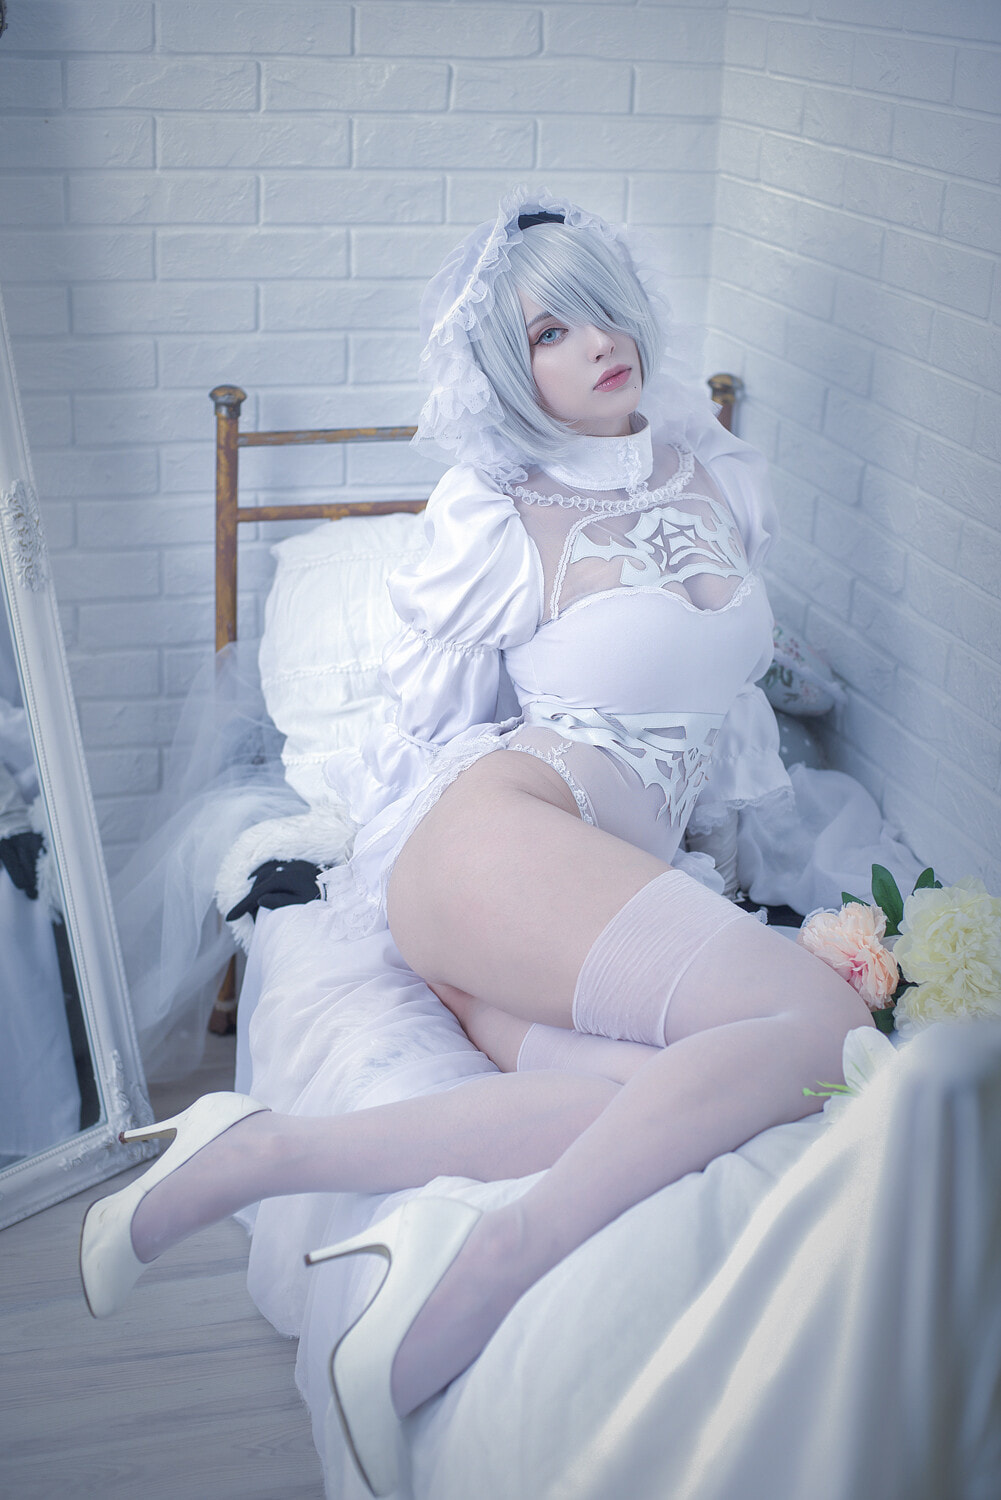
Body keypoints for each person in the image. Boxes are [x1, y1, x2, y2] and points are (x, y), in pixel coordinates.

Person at [80, 193, 874, 1498]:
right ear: (507, 367)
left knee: (641, 1097)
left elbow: (725, 713)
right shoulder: (497, 511)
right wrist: (401, 897)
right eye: (548, 332)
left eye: (600, 308)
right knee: (818, 1024)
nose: (595, 342)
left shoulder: (711, 465)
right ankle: (482, 1268)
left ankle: (259, 1151)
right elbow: (428, 726)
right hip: (497, 844)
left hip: (577, 893)